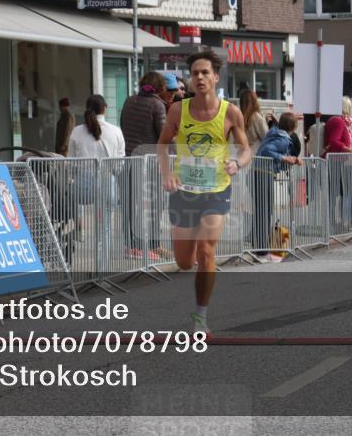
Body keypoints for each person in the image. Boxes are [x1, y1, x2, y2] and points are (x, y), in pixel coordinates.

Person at [157, 50, 251, 334]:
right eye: (194, 73)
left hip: (216, 190)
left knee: (207, 250)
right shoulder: (178, 110)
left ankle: (200, 317)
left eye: (204, 72)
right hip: (184, 191)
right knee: (185, 262)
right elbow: (162, 144)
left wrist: (237, 162)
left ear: (215, 77)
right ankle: (196, 262)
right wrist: (166, 174)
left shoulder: (230, 112)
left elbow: (247, 148)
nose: (199, 77)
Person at [119, 72, 169, 261]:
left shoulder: (129, 101)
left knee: (130, 205)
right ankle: (152, 246)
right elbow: (163, 136)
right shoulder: (157, 105)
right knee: (155, 205)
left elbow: (123, 126)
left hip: (130, 160)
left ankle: (131, 246)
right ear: (160, 87)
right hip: (149, 163)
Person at [253, 112, 302, 262]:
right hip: (264, 173)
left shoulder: (275, 133)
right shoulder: (282, 139)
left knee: (264, 213)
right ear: (293, 127)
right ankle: (262, 252)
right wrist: (285, 158)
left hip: (262, 172)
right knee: (265, 213)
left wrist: (290, 159)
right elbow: (268, 151)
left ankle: (262, 250)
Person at [240, 89, 269, 153]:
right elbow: (266, 137)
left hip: (241, 153)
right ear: (254, 101)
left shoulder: (239, 115)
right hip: (256, 155)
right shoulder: (257, 116)